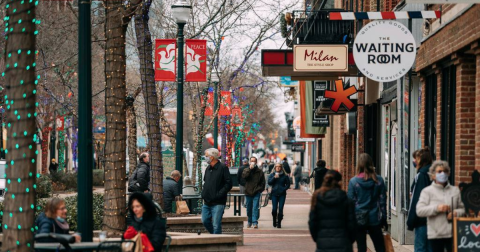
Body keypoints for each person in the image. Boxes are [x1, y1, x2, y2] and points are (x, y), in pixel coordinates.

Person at [416, 160, 464, 252]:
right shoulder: (427, 191)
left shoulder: (455, 190)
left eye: (445, 171)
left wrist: (456, 213)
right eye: (439, 172)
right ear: (433, 175)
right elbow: (420, 210)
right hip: (435, 234)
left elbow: (462, 209)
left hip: (453, 233)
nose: (443, 174)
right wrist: (437, 208)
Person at [347, 153, 387, 252]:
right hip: (374, 217)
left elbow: (350, 202)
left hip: (359, 218)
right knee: (379, 246)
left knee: (361, 247)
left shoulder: (353, 182)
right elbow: (382, 200)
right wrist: (384, 217)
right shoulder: (379, 180)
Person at [309, 170, 356, 252]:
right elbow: (352, 224)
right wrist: (350, 240)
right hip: (343, 243)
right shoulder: (346, 200)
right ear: (339, 182)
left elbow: (312, 222)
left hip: (323, 243)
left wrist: (318, 238)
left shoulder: (317, 198)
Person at [407, 147, 433, 252]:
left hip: (422, 220)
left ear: (420, 160)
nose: (414, 161)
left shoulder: (421, 175)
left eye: (415, 159)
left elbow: (416, 199)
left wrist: (411, 220)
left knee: (420, 248)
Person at [201, 148, 233, 234]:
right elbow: (205, 182)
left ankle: (217, 241)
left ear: (212, 157)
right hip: (207, 201)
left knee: (216, 224)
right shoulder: (208, 168)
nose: (205, 157)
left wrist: (219, 194)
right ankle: (214, 236)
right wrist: (204, 193)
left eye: (206, 156)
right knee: (205, 221)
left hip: (218, 202)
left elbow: (228, 184)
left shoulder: (223, 168)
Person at [242, 156, 266, 228]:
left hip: (256, 192)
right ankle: (249, 221)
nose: (253, 162)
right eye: (251, 161)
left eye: (254, 161)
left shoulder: (259, 171)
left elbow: (263, 182)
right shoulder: (246, 169)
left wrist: (259, 189)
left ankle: (255, 222)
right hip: (248, 192)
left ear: (256, 162)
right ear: (250, 162)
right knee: (249, 208)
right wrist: (249, 169)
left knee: (255, 207)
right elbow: (244, 177)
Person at [268, 162, 290, 228]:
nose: (278, 168)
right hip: (274, 194)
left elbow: (288, 184)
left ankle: (279, 223)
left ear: (281, 168)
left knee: (280, 208)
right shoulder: (272, 175)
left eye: (279, 167)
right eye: (277, 167)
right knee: (274, 209)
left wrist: (284, 189)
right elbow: (269, 183)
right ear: (275, 168)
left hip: (282, 194)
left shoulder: (285, 175)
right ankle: (274, 220)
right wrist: (274, 177)